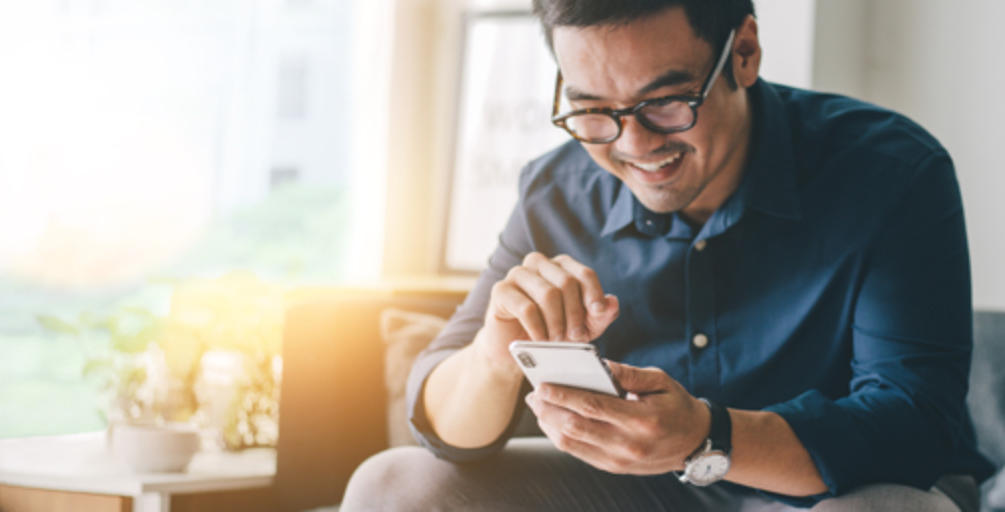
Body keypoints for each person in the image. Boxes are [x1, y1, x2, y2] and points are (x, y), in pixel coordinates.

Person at [341, 0, 995, 510]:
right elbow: (443, 427)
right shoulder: (557, 190)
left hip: (837, 492)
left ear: (743, 52)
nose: (631, 144)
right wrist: (492, 353)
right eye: (592, 109)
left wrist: (704, 436)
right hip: (636, 494)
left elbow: (913, 428)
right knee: (393, 487)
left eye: (664, 102)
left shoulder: (890, 173)